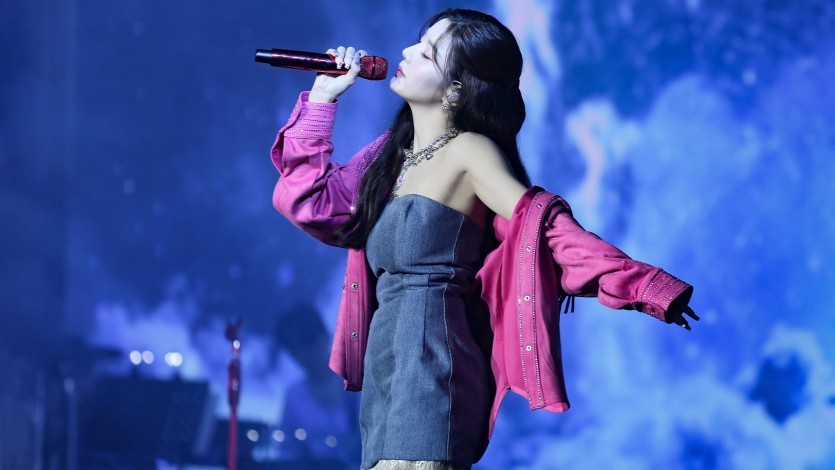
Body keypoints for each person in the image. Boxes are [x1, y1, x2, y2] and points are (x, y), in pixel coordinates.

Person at [269, 8, 698, 470]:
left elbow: (545, 229)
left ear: (455, 88)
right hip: (386, 371)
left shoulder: (470, 151)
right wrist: (322, 100)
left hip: (434, 364)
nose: (406, 53)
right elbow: (309, 203)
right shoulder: (391, 156)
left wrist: (646, 286)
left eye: (427, 54)